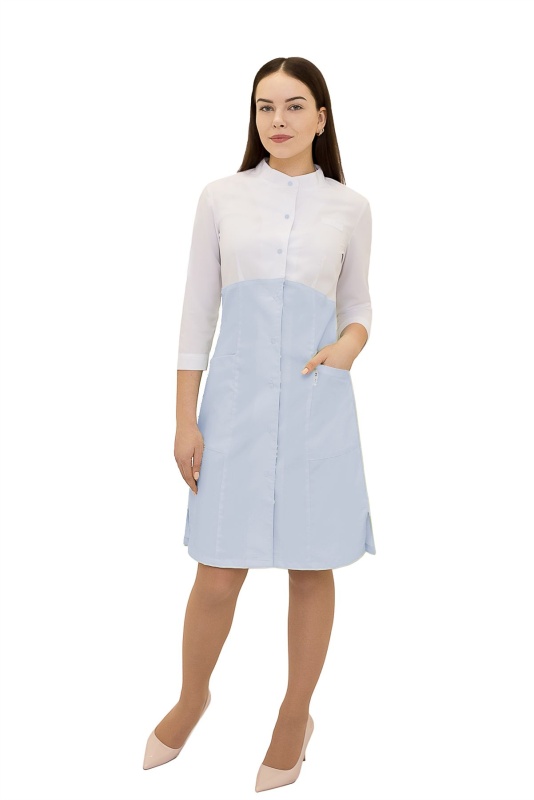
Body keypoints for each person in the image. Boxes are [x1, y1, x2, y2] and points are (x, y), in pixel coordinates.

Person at [143, 56, 376, 792]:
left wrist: (349, 345)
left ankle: (294, 714)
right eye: (265, 107)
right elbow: (196, 313)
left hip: (316, 404)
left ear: (321, 117)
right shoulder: (222, 198)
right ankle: (192, 697)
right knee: (218, 572)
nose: (278, 120)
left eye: (294, 105)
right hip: (235, 408)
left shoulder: (350, 207)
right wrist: (185, 421)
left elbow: (358, 305)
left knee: (312, 566)